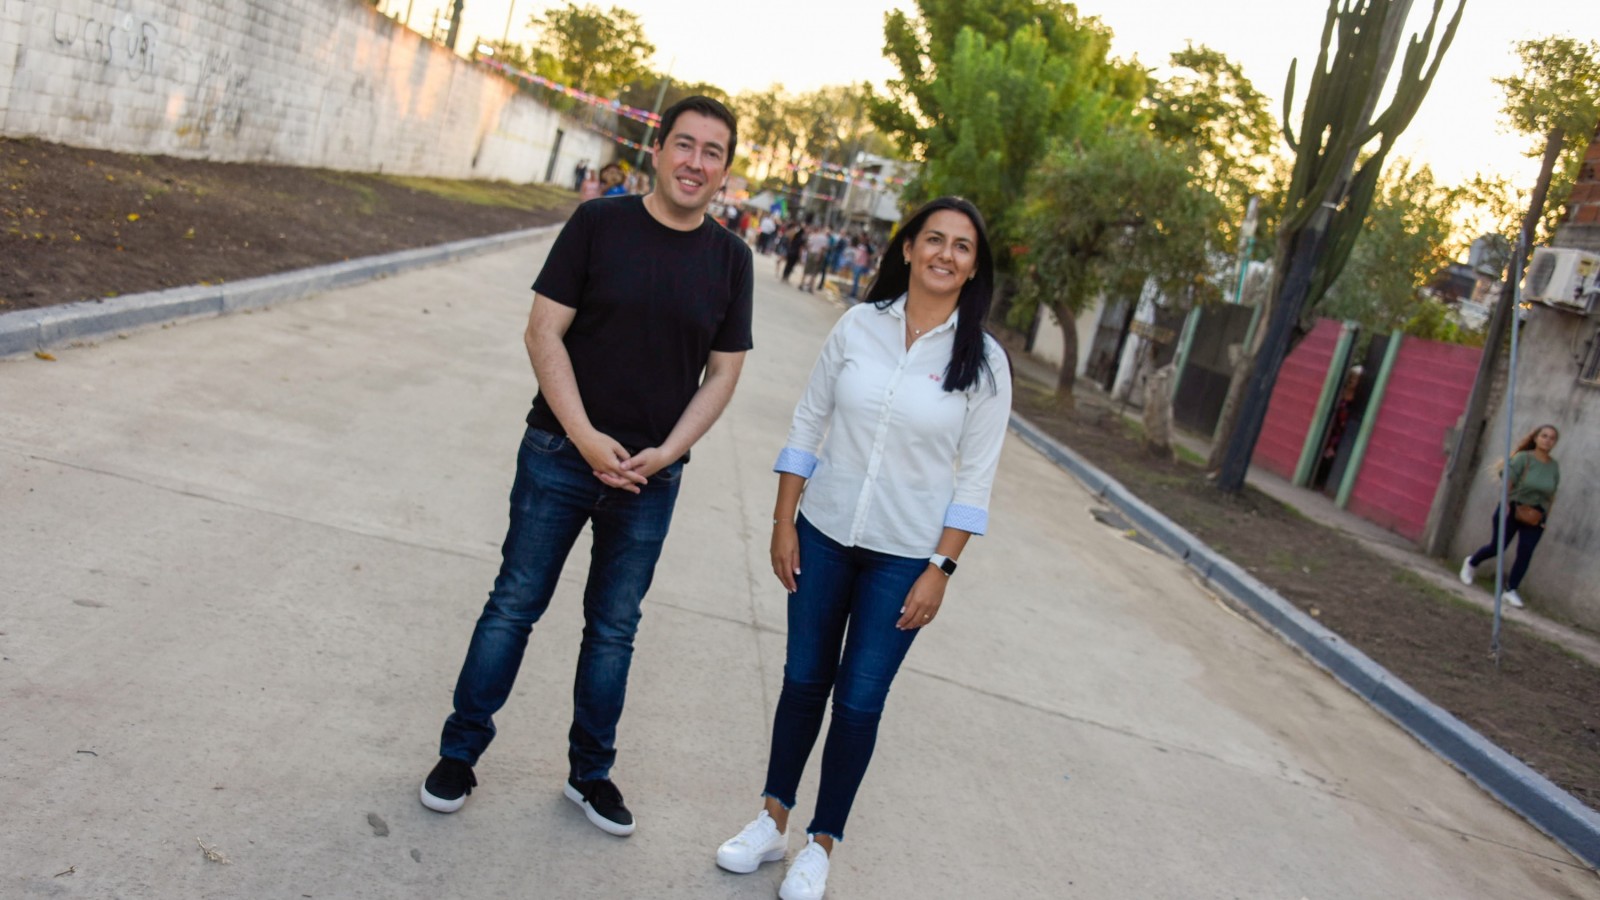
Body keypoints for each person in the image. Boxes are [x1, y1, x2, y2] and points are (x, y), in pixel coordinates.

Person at [419, 96, 753, 838]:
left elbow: (724, 374)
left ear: (726, 170)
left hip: (650, 476)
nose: (696, 162)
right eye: (685, 145)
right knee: (514, 604)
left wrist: (667, 452)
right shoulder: (598, 224)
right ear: (658, 149)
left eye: (713, 152)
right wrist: (584, 436)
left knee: (614, 630)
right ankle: (459, 753)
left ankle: (589, 774)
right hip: (558, 457)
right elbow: (544, 332)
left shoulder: (731, 259)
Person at [714, 197, 1012, 899]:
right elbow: (809, 420)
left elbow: (976, 479)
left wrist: (940, 569)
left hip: (904, 557)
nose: (945, 254)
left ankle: (822, 841)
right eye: (932, 239)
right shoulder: (857, 326)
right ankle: (771, 820)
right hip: (822, 534)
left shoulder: (985, 364)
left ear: (974, 267)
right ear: (906, 249)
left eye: (961, 247)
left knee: (857, 703)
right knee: (803, 681)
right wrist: (784, 519)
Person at [1459, 424, 1560, 609]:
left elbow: (1551, 494)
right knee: (1498, 546)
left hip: (1535, 515)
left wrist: (1545, 517)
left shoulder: (1553, 467)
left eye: (1552, 438)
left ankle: (1511, 589)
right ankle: (1472, 562)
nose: (1547, 440)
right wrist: (1505, 504)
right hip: (1512, 509)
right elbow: (1508, 480)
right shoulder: (1523, 458)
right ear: (1536, 438)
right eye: (1544, 436)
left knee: (1526, 552)